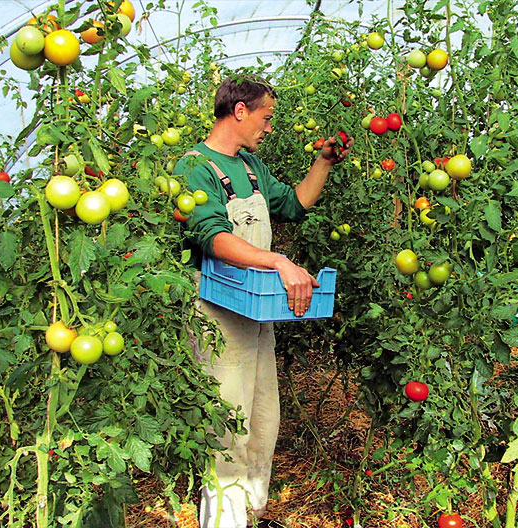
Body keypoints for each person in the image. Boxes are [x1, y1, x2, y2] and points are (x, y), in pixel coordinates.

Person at [175, 74, 352, 528]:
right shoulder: (196, 167)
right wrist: (276, 261)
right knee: (227, 425)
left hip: (255, 313)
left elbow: (295, 203)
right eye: (265, 117)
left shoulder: (251, 168)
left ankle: (251, 515)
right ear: (239, 112)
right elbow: (213, 238)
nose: (268, 128)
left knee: (262, 421)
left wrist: (323, 162)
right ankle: (222, 521)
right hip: (218, 316)